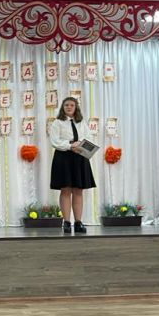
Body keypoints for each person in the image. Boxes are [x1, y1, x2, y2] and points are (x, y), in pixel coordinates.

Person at [49, 97, 96, 235]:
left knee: (78, 190)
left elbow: (89, 137)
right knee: (65, 190)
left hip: (80, 157)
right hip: (63, 158)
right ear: (63, 107)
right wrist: (70, 146)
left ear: (76, 107)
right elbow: (54, 141)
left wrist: (80, 145)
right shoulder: (57, 123)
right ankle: (67, 222)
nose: (69, 107)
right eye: (66, 105)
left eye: (72, 105)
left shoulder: (81, 122)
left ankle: (78, 222)